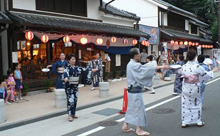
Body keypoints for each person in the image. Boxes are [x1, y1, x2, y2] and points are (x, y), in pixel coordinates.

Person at [122, 48, 169, 135]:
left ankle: (125, 126)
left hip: (131, 91)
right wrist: (162, 67)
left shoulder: (131, 64)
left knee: (131, 109)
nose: (140, 55)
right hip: (135, 92)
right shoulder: (134, 65)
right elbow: (146, 69)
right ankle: (139, 129)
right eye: (139, 54)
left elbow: (145, 69)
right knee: (139, 110)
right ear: (135, 56)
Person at [180, 50, 218, 128]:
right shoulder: (196, 66)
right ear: (195, 57)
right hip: (194, 87)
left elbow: (181, 74)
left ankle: (184, 121)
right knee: (196, 103)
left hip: (185, 86)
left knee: (185, 104)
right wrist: (213, 71)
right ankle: (197, 121)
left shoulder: (183, 66)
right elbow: (206, 75)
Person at [64, 53, 93, 122]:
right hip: (69, 87)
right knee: (70, 100)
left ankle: (73, 113)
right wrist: (66, 78)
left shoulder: (77, 68)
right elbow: (66, 74)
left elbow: (84, 70)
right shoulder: (67, 68)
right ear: (69, 60)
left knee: (75, 100)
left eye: (74, 59)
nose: (74, 61)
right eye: (72, 59)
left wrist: (91, 70)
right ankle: (69, 115)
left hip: (75, 86)